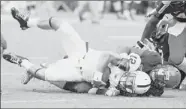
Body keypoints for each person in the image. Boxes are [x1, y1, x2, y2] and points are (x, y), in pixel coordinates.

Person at [8, 7, 152, 96]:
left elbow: (91, 88)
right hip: (82, 52)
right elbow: (106, 56)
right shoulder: (125, 64)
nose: (127, 82)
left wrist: (100, 89)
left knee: (47, 75)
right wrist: (98, 76)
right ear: (134, 72)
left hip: (79, 72)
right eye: (130, 80)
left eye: (130, 85)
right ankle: (27, 23)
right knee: (59, 23)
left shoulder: (121, 90)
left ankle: (22, 62)